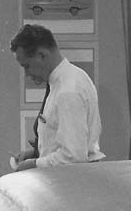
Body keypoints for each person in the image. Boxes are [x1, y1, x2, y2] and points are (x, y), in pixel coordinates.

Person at [8, 23, 104, 170]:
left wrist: (33, 164)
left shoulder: (68, 91)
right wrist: (35, 153)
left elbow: (73, 157)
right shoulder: (69, 79)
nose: (27, 74)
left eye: (27, 66)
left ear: (42, 55)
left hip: (68, 180)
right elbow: (60, 140)